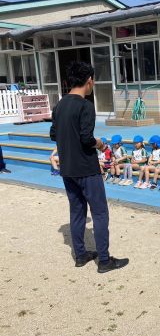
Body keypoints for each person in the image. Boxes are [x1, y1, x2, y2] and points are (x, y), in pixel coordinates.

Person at [49, 61, 128, 273]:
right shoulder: (85, 106)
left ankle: (81, 255)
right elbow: (86, 138)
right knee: (100, 213)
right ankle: (104, 260)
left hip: (67, 169)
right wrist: (100, 143)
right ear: (89, 80)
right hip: (87, 168)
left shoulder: (60, 105)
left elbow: (53, 135)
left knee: (76, 213)